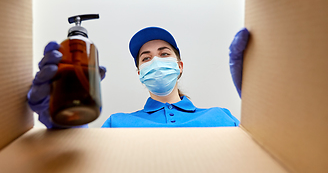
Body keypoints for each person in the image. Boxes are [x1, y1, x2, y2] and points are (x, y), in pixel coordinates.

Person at [27, 27, 249, 129]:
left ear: (179, 66)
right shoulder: (117, 123)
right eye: (146, 58)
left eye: (164, 54)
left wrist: (257, 104)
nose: (155, 61)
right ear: (140, 73)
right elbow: (88, 163)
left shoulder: (221, 117)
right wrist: (67, 123)